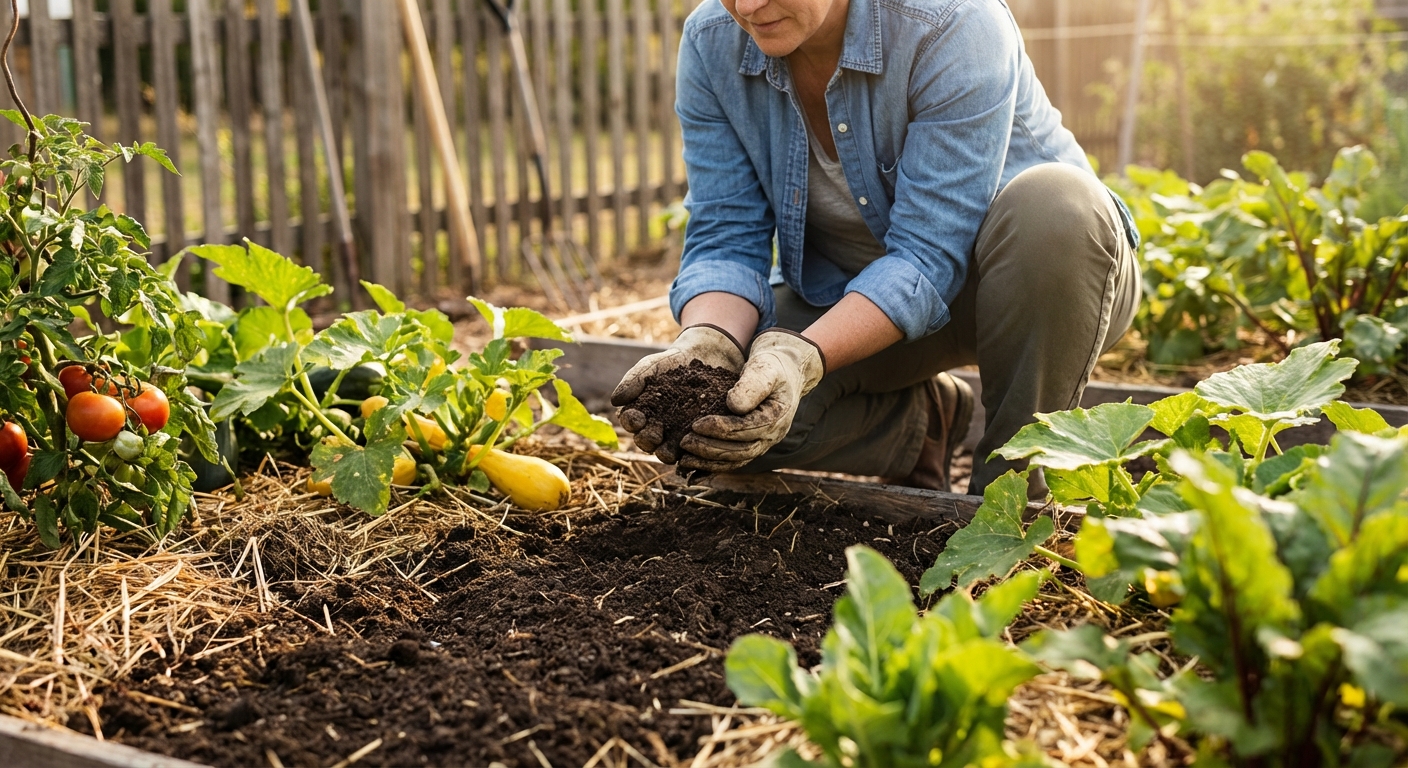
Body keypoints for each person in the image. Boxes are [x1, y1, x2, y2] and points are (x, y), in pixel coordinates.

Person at [611, 0, 1141, 496]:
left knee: (1056, 205)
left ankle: (1009, 499)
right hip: (866, 300)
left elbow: (929, 250)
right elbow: (726, 231)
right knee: (725, 425)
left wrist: (806, 356)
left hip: (1052, 285)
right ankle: (920, 427)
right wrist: (708, 343)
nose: (748, 7)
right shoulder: (713, 41)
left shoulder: (953, 21)